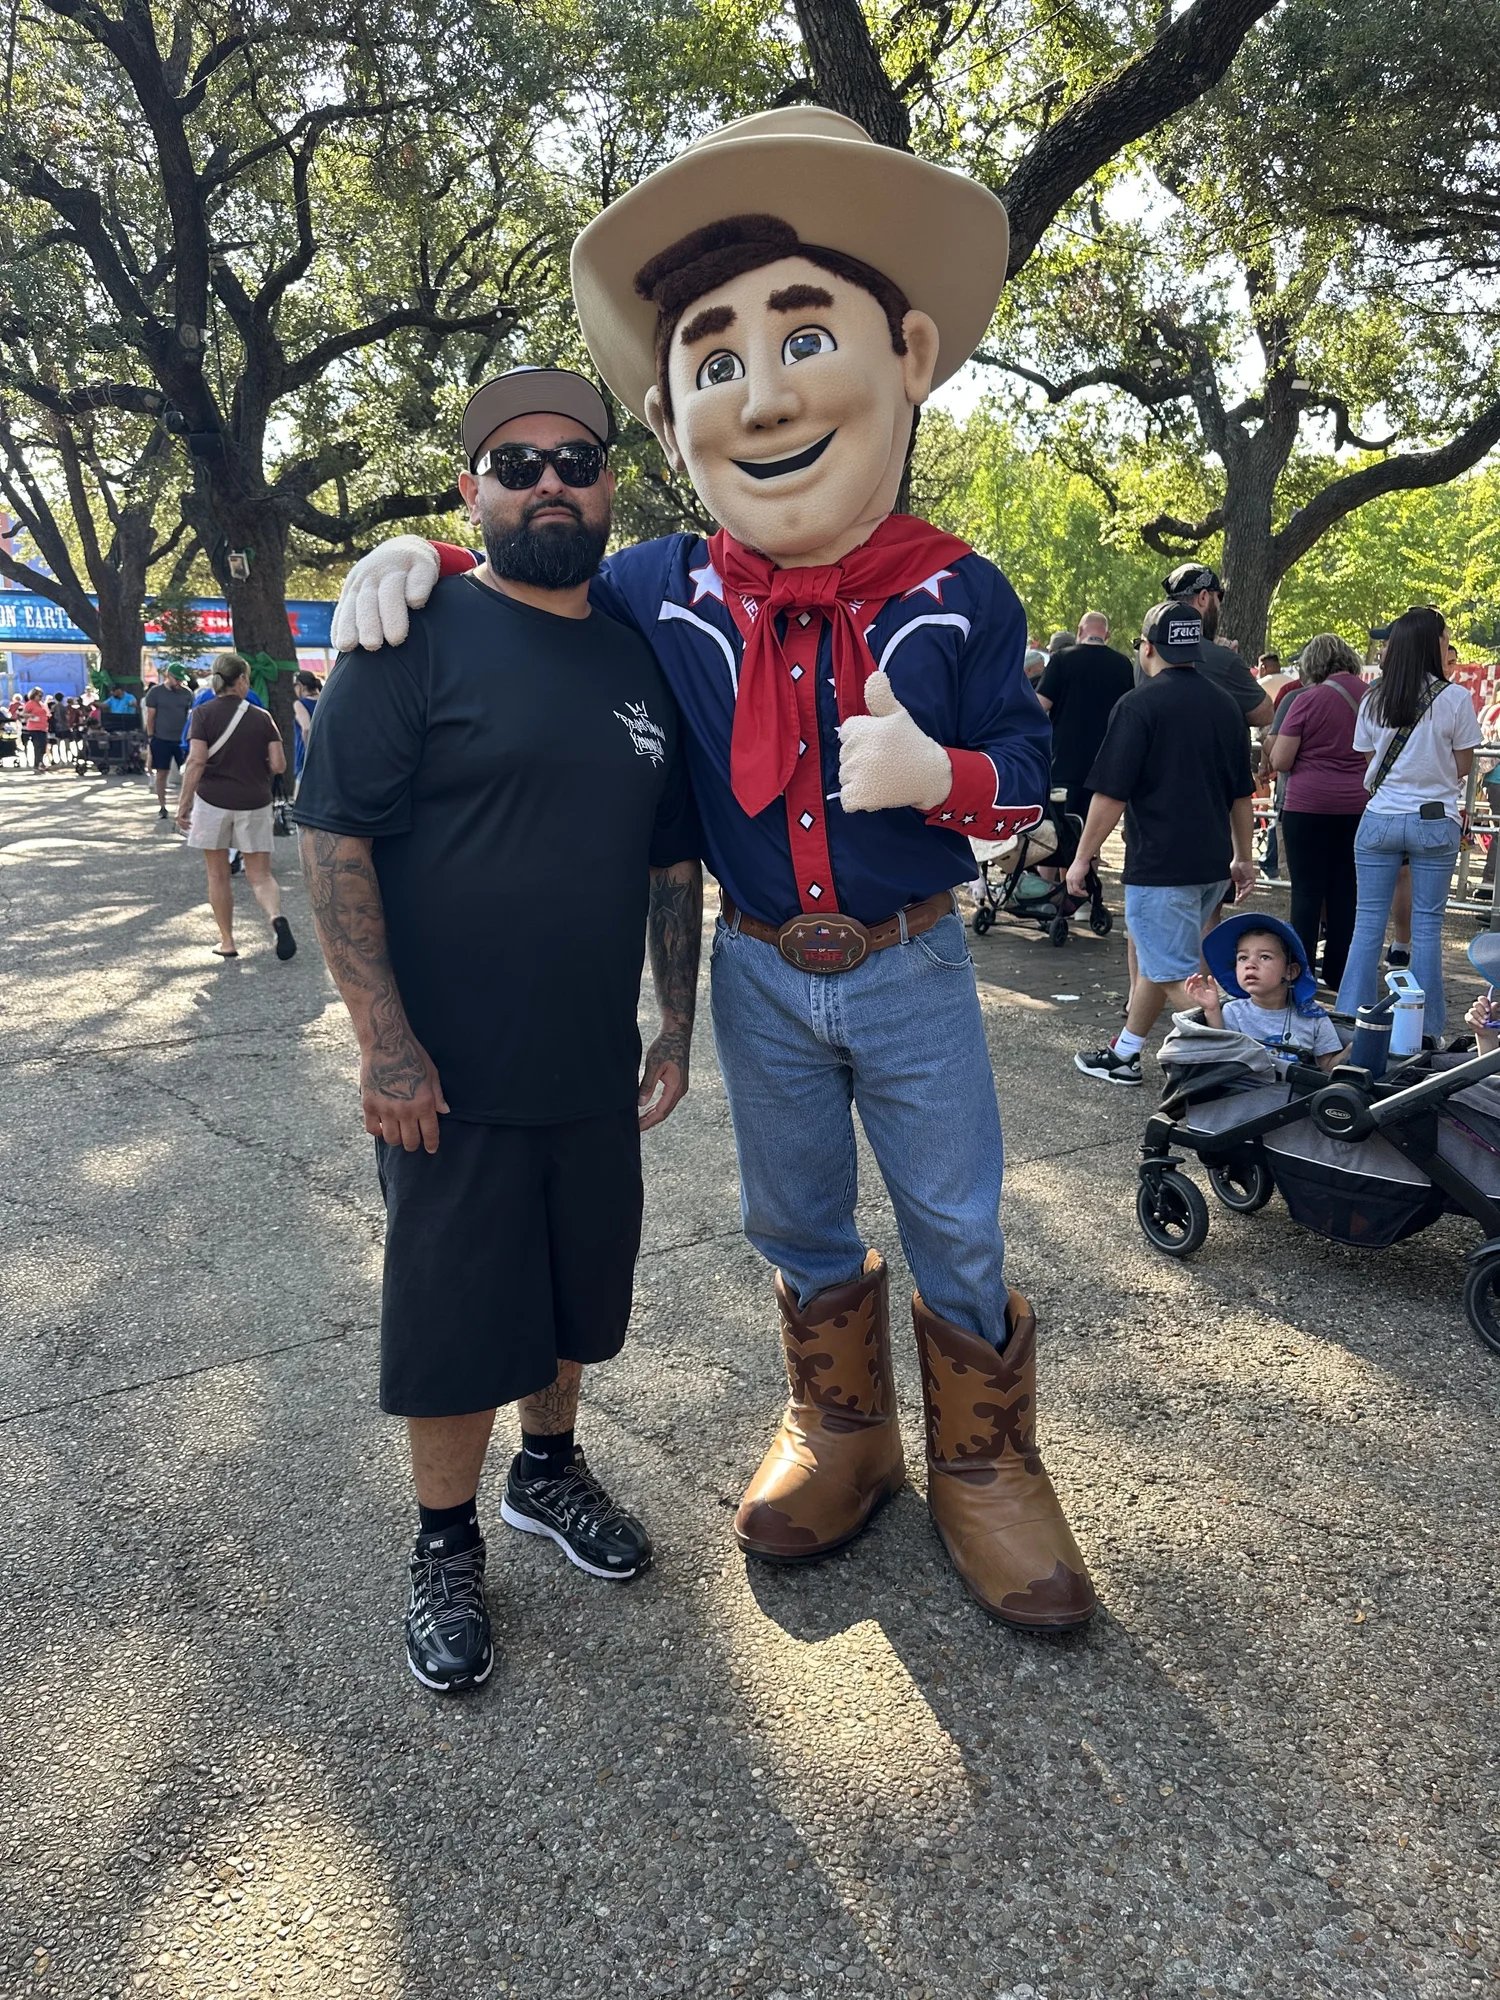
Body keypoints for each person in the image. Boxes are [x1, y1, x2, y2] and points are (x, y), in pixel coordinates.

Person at [329, 110, 1098, 1633]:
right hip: (757, 963)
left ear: (909, 354)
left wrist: (941, 778)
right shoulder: (653, 585)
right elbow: (519, 576)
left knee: (955, 1217)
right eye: (717, 365)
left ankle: (992, 1468)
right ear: (678, 425)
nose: (764, 397)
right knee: (797, 1218)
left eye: (805, 339)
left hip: (912, 956)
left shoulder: (959, 592)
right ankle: (841, 1431)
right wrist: (405, 560)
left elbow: (1032, 778)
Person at [296, 368, 703, 1693]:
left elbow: (670, 863)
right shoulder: (411, 635)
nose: (547, 482)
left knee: (577, 1295)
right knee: (457, 1313)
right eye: (514, 463)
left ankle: (549, 1469)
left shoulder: (641, 650)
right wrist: (385, 1044)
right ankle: (444, 1541)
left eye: (574, 460)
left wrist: (678, 1021)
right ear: (472, 489)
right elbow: (335, 839)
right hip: (446, 1079)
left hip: (590, 1063)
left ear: (608, 486)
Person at [1070, 601, 1255, 1084]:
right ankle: (1126, 1052)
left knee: (1173, 972)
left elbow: (1111, 794)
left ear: (1147, 647)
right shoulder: (1226, 705)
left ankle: (1238, 1059)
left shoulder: (1139, 705)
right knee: (1160, 958)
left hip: (1160, 863)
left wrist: (1082, 857)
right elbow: (1242, 793)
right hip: (1211, 862)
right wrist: (1243, 857)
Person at [1335, 608, 1480, 1039]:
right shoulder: (1454, 698)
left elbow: (1368, 760)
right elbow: (1463, 766)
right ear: (1433, 644)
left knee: (1367, 924)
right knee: (1427, 926)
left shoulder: (1373, 699)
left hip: (1379, 818)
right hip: (1435, 821)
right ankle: (1425, 1027)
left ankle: (1349, 1019)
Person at [175, 651, 298, 962]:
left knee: (217, 875)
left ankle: (228, 941)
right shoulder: (262, 717)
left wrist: (183, 804)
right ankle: (275, 918)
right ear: (242, 679)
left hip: (212, 802)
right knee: (261, 875)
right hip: (255, 801)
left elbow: (196, 761)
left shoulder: (202, 714)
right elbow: (280, 765)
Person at [1265, 634, 1369, 988]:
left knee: (1307, 893)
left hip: (1308, 806)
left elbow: (1280, 759)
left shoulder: (1307, 699)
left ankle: (1301, 973)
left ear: (1312, 664)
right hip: (1358, 805)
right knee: (1346, 891)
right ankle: (1341, 975)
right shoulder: (1372, 697)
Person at [1185, 915, 1345, 1073]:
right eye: (1242, 957)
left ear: (1290, 971)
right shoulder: (1233, 1011)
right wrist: (1211, 1010)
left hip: (1295, 1097)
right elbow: (1220, 1055)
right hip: (1245, 1093)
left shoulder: (1314, 1018)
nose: (1250, 964)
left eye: (1264, 957)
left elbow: (1328, 1069)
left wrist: (1357, 1046)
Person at [1035, 610, 1135, 824]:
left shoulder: (1062, 659)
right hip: (1106, 762)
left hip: (1065, 760)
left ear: (1080, 631)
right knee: (1093, 825)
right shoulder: (1123, 664)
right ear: (1106, 635)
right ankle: (1091, 857)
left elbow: (1039, 706)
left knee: (1064, 826)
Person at [1159, 564, 1274, 729]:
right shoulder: (1223, 660)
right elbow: (1265, 713)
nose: (1219, 606)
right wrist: (1230, 659)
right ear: (1204, 597)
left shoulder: (1148, 653)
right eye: (1218, 597)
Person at [143, 671, 194, 818]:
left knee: (187, 773)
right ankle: (162, 806)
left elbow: (190, 716)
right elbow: (151, 716)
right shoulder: (155, 693)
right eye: (176, 679)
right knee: (161, 773)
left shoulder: (187, 694)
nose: (179, 683)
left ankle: (187, 806)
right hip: (161, 738)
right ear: (168, 676)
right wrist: (151, 736)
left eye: (181, 680)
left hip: (181, 740)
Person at [291, 669, 320, 788]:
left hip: (307, 758)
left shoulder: (300, 704)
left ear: (300, 686)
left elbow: (306, 728)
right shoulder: (325, 700)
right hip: (328, 755)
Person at [21, 687, 50, 771]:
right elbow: (24, 713)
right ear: (34, 695)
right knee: (37, 746)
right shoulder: (30, 703)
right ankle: (37, 764)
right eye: (39, 695)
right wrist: (31, 716)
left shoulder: (41, 704)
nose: (40, 697)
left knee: (43, 746)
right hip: (34, 728)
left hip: (43, 727)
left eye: (41, 696)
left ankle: (40, 762)